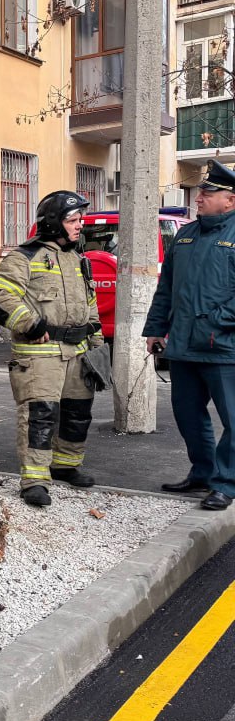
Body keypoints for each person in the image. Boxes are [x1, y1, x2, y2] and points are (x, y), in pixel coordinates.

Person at [0, 190, 103, 507]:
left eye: (80, 219)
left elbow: (90, 307)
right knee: (40, 417)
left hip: (78, 354)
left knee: (78, 414)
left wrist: (99, 351)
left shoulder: (79, 259)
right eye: (73, 220)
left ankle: (66, 465)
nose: (80, 225)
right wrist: (31, 324)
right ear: (53, 222)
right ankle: (35, 479)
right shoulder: (23, 257)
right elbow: (1, 298)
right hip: (41, 356)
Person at [144, 160, 235, 511]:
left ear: (230, 200)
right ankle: (203, 472)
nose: (200, 197)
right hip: (183, 347)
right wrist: (154, 329)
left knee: (232, 421)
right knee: (187, 414)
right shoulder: (185, 234)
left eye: (209, 192)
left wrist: (216, 320)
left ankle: (225, 483)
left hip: (224, 348)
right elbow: (165, 288)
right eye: (201, 191)